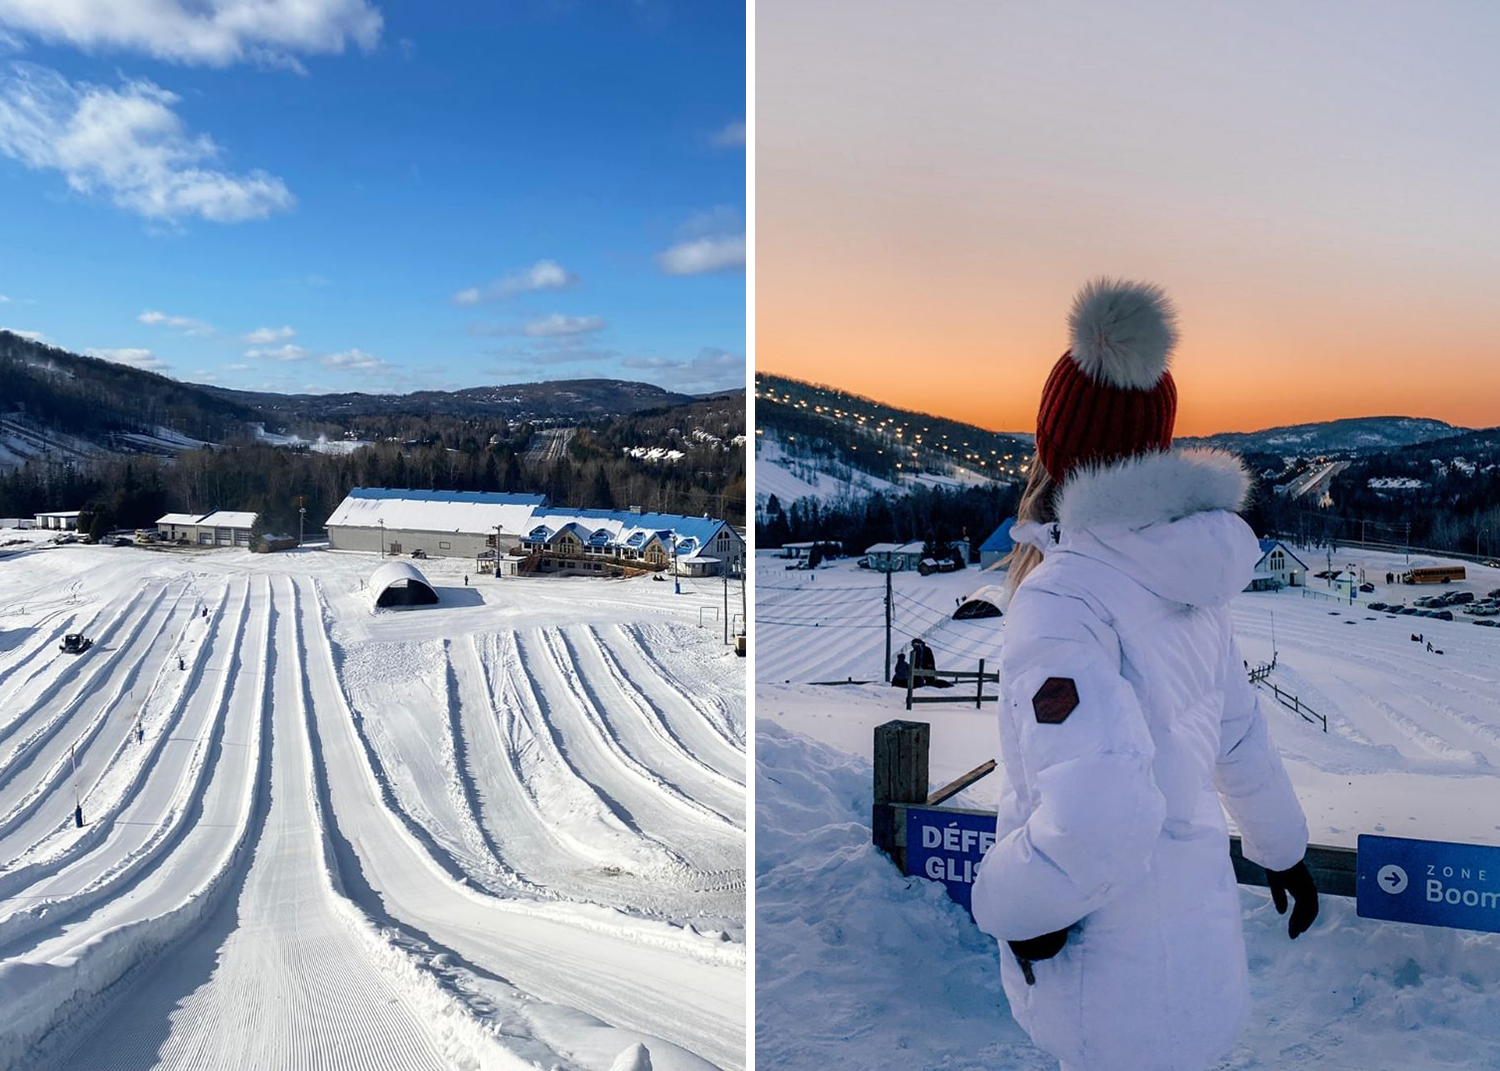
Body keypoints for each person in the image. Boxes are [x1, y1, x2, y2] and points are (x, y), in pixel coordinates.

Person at [970, 280, 1317, 1071]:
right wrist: (1283, 846)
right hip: (1196, 958)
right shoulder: (1184, 578)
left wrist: (1013, 904)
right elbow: (1237, 734)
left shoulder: (1063, 597)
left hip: (1110, 978)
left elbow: (1100, 814)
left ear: (1054, 445)